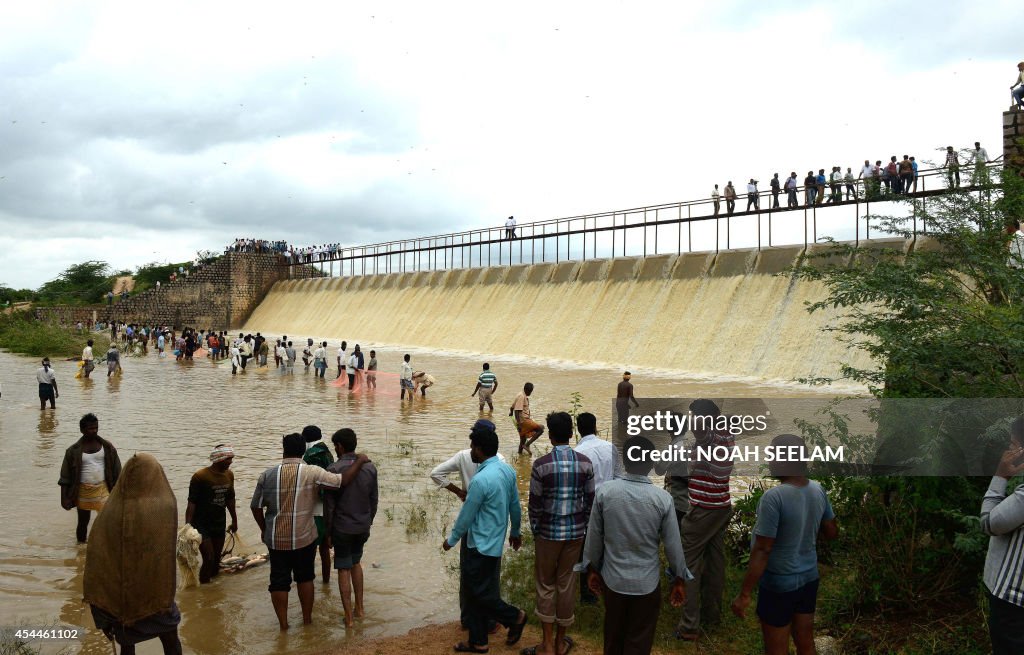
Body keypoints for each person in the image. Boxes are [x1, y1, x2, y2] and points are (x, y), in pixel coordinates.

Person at [581, 436, 690, 655]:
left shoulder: (605, 492)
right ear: (651, 464)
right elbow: (673, 545)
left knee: (613, 637)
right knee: (639, 641)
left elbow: (593, 536)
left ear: (625, 461)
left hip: (613, 581)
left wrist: (591, 569)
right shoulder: (662, 499)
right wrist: (679, 578)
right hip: (646, 583)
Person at [730, 434, 838, 655]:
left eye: (773, 454)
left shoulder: (774, 497)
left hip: (779, 584)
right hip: (809, 577)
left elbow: (763, 548)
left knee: (777, 649)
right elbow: (832, 532)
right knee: (805, 641)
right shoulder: (818, 489)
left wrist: (745, 594)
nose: (769, 458)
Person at [250, 433, 369, 630]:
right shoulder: (312, 472)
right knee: (305, 577)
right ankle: (306, 621)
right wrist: (360, 460)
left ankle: (283, 626)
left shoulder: (267, 475)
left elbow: (256, 506)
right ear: (303, 450)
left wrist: (264, 529)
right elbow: (342, 480)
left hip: (276, 538)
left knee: (278, 581)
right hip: (304, 537)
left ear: (284, 449)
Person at [442, 422, 528, 653]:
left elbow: (466, 516)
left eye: (472, 447)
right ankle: (478, 642)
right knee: (480, 592)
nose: (470, 451)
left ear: (479, 449)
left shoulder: (480, 481)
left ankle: (515, 616)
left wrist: (451, 539)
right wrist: (516, 531)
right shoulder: (507, 470)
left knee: (478, 594)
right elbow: (515, 506)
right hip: (496, 542)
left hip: (478, 544)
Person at [84, 453, 182, 655]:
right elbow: (162, 551)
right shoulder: (163, 507)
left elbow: (99, 560)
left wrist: (102, 614)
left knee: (126, 642)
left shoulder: (109, 512)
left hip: (121, 595)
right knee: (170, 636)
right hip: (155, 592)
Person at [524, 412, 595, 655]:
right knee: (566, 583)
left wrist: (536, 529)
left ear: (551, 436)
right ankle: (561, 641)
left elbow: (535, 504)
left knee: (545, 584)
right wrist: (583, 527)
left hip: (547, 533)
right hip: (575, 533)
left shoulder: (541, 465)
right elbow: (590, 502)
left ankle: (546, 644)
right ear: (571, 434)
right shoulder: (585, 463)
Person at [430, 420, 508, 629]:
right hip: (492, 524)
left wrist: (458, 491)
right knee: (490, 575)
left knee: (469, 575)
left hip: (470, 525)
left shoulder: (464, 456)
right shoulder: (500, 461)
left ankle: (468, 620)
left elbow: (436, 473)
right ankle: (490, 621)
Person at [675, 399, 736, 642]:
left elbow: (699, 427)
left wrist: (697, 417)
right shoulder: (726, 435)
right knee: (715, 562)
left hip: (703, 508)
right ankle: (712, 616)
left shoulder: (709, 436)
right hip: (721, 505)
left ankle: (689, 626)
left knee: (689, 563)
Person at [324, 428, 379, 628]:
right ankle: (360, 609)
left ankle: (348, 618)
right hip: (362, 525)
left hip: (342, 527)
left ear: (339, 446)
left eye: (335, 446)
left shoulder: (333, 469)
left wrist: (328, 533)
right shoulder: (370, 468)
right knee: (356, 563)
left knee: (343, 569)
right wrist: (368, 520)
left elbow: (329, 507)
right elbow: (374, 499)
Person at [981, 416, 1024, 654]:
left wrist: (1000, 477)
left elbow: (989, 523)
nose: (1009, 451)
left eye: (1012, 444)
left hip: (1013, 602)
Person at [59, 413, 121, 543]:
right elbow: (65, 477)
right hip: (83, 490)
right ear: (82, 430)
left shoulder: (107, 447)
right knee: (83, 522)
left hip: (103, 489)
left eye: (96, 428)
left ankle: (104, 546)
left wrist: (120, 492)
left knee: (107, 520)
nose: (94, 431)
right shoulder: (72, 451)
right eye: (90, 428)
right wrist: (64, 499)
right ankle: (80, 549)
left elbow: (117, 471)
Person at [185, 445, 238, 584]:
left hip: (219, 523)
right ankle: (203, 589)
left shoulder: (229, 475)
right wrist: (187, 526)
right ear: (219, 459)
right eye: (228, 459)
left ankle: (212, 590)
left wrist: (234, 520)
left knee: (215, 561)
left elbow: (230, 499)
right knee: (208, 558)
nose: (230, 462)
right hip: (201, 524)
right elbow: (192, 502)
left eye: (231, 459)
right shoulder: (200, 477)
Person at [302, 425, 335, 584]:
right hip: (328, 508)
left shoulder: (310, 455)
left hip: (313, 510)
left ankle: (307, 583)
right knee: (324, 550)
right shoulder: (328, 453)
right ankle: (326, 583)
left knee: (308, 550)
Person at [511, 382, 545, 454]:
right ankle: (527, 445)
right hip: (524, 420)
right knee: (541, 429)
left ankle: (519, 458)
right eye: (530, 391)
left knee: (522, 439)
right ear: (527, 390)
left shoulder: (520, 394)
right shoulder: (522, 397)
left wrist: (511, 412)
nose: (530, 393)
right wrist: (519, 424)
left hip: (522, 420)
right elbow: (517, 411)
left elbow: (512, 407)